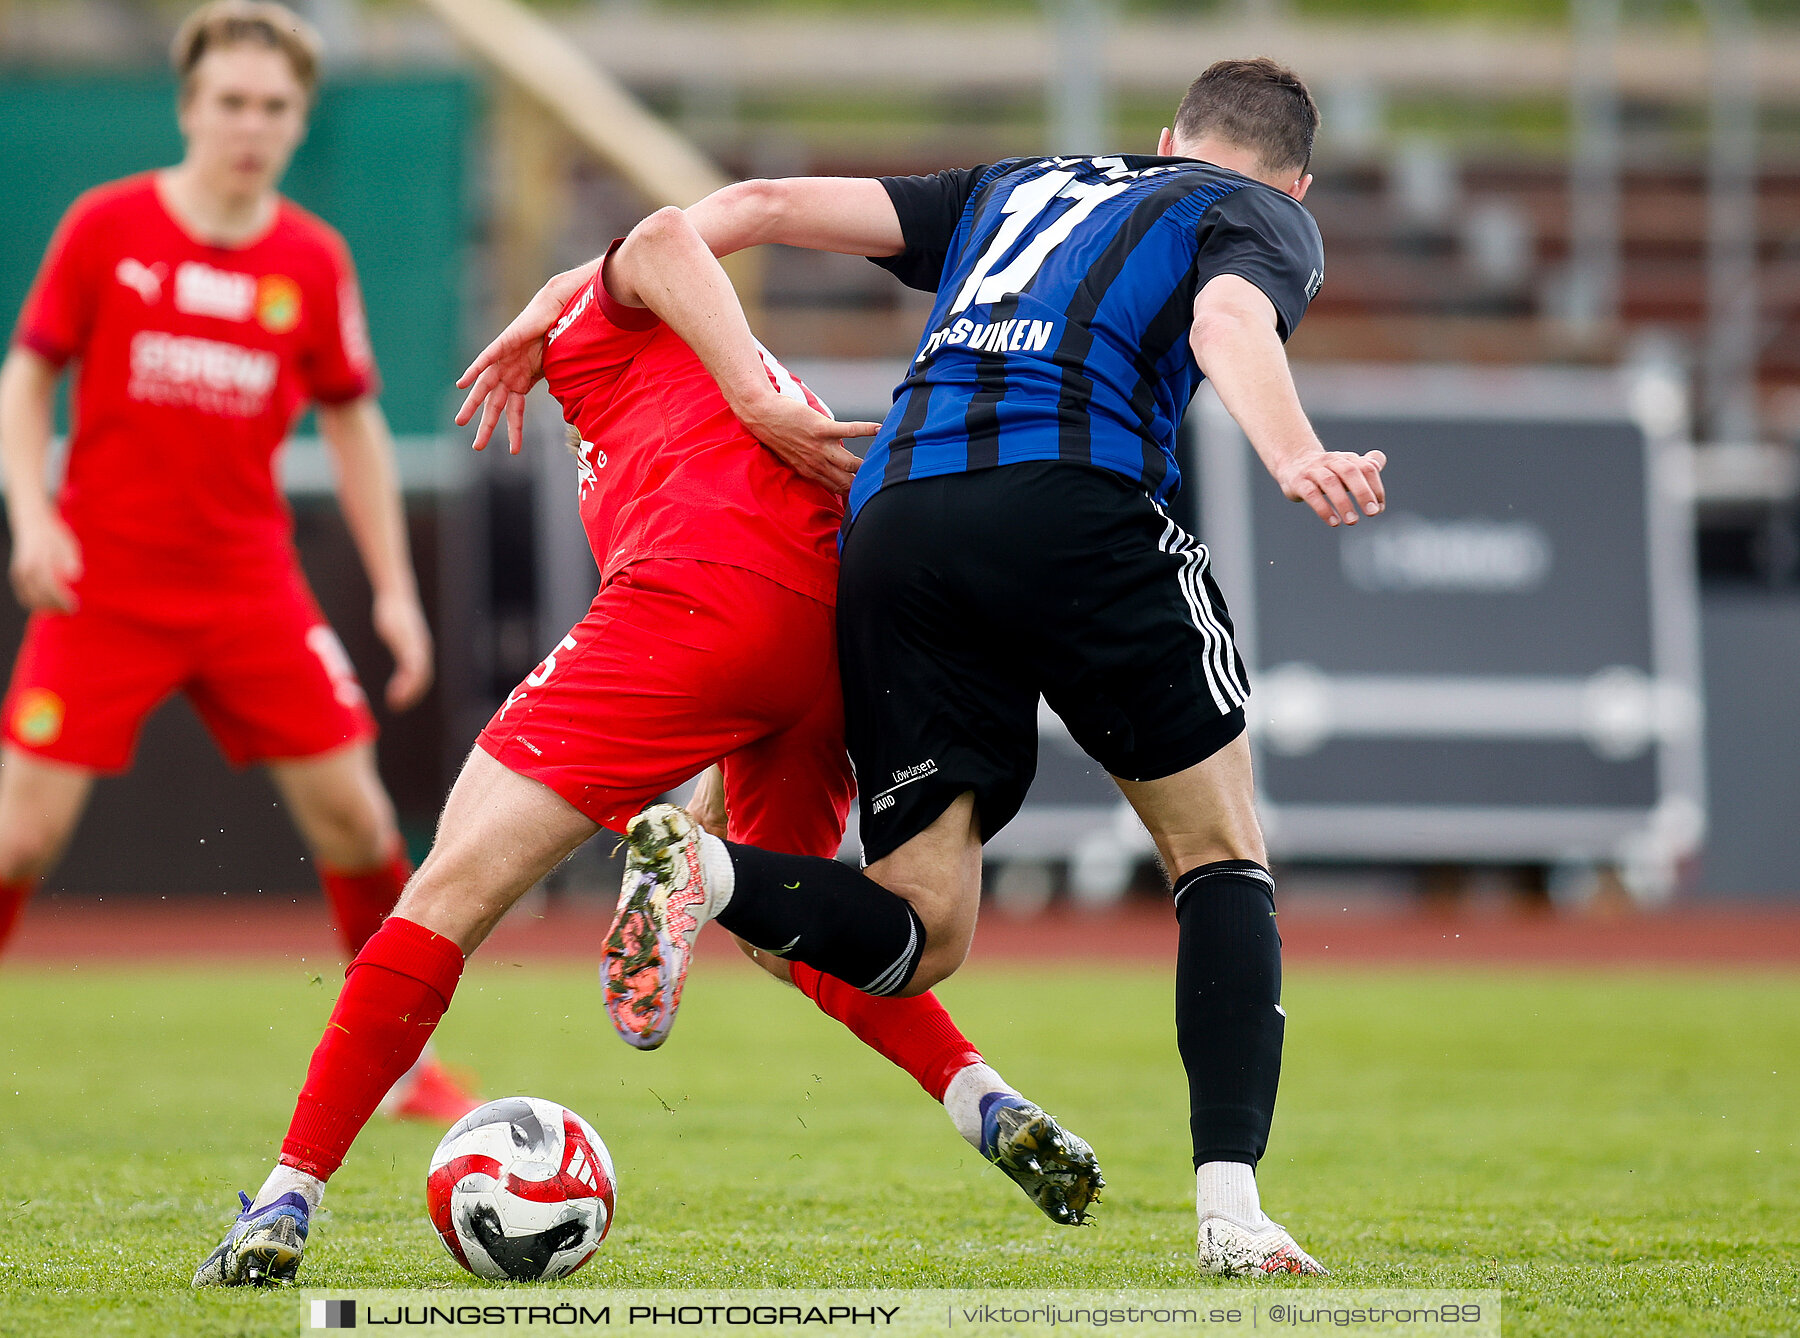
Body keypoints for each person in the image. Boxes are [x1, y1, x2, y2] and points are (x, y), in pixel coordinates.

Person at [475, 59, 1388, 1276]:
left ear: (1164, 136)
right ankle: (1231, 1213)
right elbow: (1225, 321)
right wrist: (1294, 452)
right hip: (1077, 498)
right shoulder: (1259, 215)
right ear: (1299, 181)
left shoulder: (1015, 182)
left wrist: (586, 288)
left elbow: (754, 208)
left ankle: (701, 867)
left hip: (897, 513)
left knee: (923, 928)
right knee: (1218, 854)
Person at [193, 209, 1104, 1288]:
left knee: (445, 892)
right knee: (781, 923)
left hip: (704, 596)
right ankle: (980, 1097)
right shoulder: (656, 355)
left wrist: (596, 321)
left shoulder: (602, 320)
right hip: (828, 627)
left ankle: (287, 1199)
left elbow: (666, 234)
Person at [0, 1, 475, 1122]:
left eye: (273, 106)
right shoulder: (105, 227)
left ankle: (400, 1062)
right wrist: (33, 515)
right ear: (188, 107)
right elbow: (28, 374)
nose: (249, 125)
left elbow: (354, 422)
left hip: (246, 583)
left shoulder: (311, 258)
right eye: (231, 103)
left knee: (361, 825)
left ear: (300, 119)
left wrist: (398, 595)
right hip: (102, 580)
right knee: (20, 834)